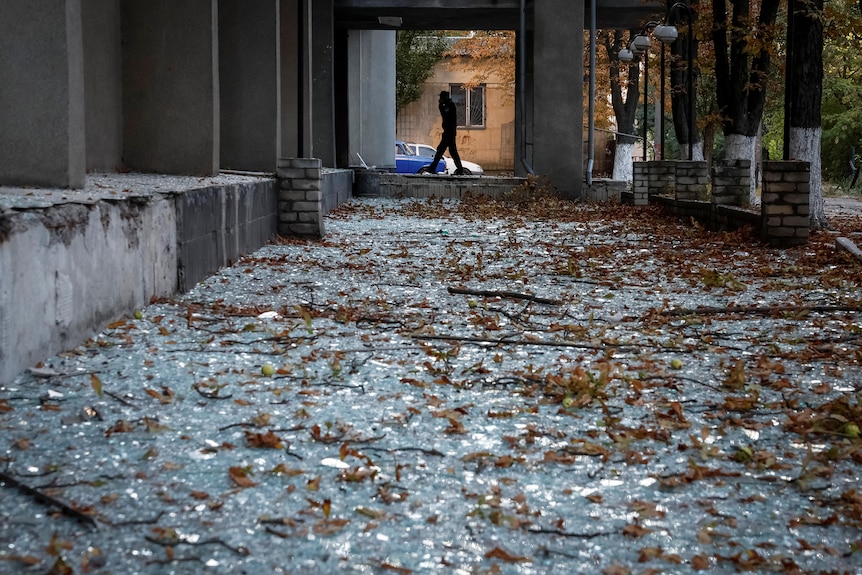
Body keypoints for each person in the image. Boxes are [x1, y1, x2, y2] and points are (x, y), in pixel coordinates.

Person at [428, 91, 465, 175]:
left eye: (441, 97)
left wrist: (441, 105)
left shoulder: (450, 105)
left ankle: (433, 168)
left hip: (449, 132)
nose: (440, 99)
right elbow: (443, 113)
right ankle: (459, 169)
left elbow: (446, 115)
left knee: (442, 150)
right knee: (449, 151)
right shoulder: (447, 105)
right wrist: (441, 105)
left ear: (444, 98)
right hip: (448, 132)